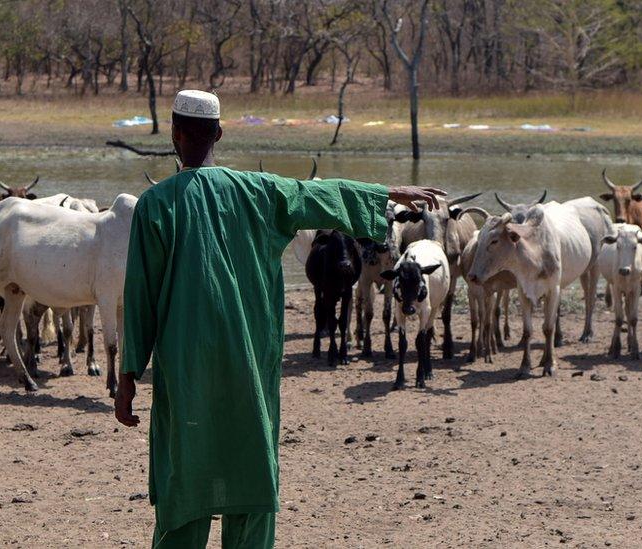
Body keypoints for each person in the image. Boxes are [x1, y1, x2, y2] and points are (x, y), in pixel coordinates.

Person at [116, 89, 445, 549]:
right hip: (249, 361)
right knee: (250, 472)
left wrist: (128, 375)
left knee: (184, 477)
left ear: (174, 133)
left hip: (185, 366)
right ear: (220, 134)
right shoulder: (260, 191)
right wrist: (386, 193)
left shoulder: (156, 205)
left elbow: (140, 297)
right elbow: (318, 194)